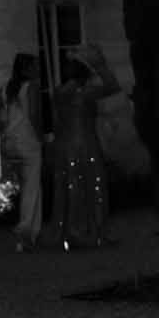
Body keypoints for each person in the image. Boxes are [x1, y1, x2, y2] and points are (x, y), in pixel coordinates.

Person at [50, 44, 119, 249]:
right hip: (86, 143)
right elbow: (113, 85)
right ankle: (93, 232)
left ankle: (71, 232)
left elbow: (57, 122)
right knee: (92, 186)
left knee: (71, 187)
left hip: (66, 145)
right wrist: (100, 64)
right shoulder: (86, 92)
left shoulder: (59, 92)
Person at [0, 52, 44, 252]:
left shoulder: (6, 89)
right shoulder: (31, 88)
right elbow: (35, 116)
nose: (38, 70)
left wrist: (3, 129)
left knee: (31, 187)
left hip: (9, 144)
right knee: (32, 188)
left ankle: (32, 234)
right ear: (27, 69)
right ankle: (25, 230)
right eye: (35, 66)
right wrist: (41, 138)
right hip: (27, 142)